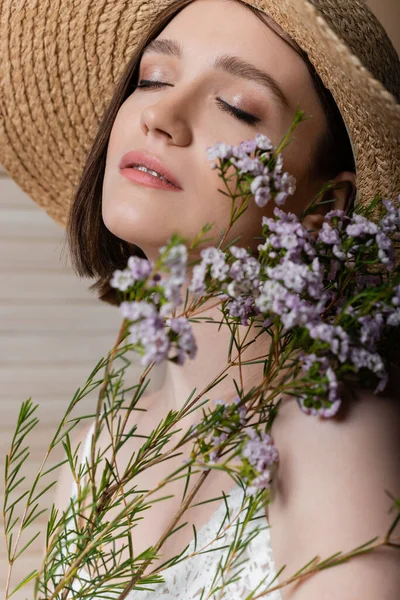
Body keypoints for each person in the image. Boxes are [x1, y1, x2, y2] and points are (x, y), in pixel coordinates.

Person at [0, 1, 399, 598]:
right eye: (153, 78)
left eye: (237, 107)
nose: (160, 113)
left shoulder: (336, 436)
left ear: (324, 209)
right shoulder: (99, 453)